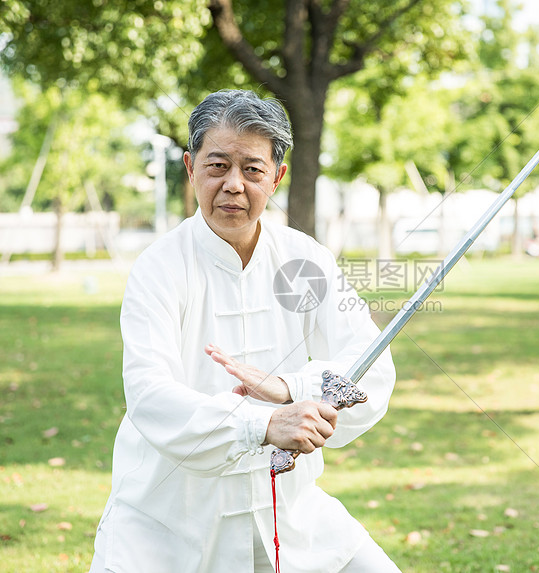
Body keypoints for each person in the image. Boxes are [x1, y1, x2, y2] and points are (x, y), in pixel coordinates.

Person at [89, 90, 399, 572]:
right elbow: (150, 395)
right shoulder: (160, 268)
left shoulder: (307, 259)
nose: (234, 184)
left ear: (276, 177)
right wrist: (262, 424)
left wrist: (291, 389)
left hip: (292, 518)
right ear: (191, 168)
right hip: (170, 529)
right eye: (218, 166)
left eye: (252, 169)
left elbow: (372, 364)